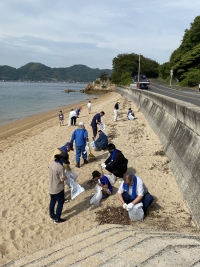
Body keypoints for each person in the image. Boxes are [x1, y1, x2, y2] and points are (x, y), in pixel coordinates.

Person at [49, 153, 67, 224]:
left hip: (51, 186)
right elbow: (62, 179)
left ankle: (52, 215)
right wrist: (66, 177)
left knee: (52, 201)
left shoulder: (52, 163)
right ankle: (57, 219)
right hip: (58, 188)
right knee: (60, 202)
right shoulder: (60, 167)